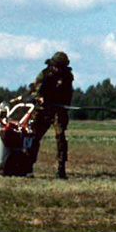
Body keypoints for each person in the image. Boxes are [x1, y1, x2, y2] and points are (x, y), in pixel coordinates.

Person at [28, 51, 74, 179]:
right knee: (34, 137)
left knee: (61, 138)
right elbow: (33, 90)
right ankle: (28, 166)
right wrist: (39, 98)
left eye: (60, 67)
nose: (58, 69)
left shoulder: (68, 76)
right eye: (56, 66)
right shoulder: (44, 74)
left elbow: (69, 93)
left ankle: (61, 168)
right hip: (43, 110)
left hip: (59, 110)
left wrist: (64, 107)